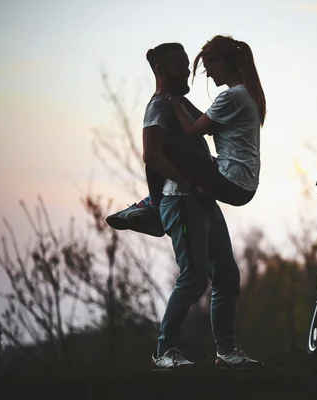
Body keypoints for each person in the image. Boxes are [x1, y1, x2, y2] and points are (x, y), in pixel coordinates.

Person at [129, 40, 263, 370]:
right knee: (193, 278)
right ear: (161, 70)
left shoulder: (181, 103)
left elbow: (200, 129)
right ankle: (164, 352)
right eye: (181, 65)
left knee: (227, 277)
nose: (189, 70)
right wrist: (185, 183)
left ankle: (226, 352)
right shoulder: (159, 106)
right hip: (182, 200)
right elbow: (152, 155)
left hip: (202, 198)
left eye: (190, 64)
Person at [106, 34, 265, 236]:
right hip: (244, 183)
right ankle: (150, 203)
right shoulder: (244, 94)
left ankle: (154, 208)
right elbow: (206, 123)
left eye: (208, 67)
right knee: (192, 155)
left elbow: (193, 130)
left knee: (165, 150)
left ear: (222, 63)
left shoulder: (231, 96)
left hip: (232, 181)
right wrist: (180, 101)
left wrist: (173, 101)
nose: (207, 75)